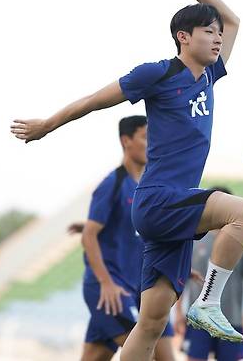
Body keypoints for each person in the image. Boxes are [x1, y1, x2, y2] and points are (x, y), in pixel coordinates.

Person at [11, 0, 243, 359]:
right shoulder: (157, 74)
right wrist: (46, 125)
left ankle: (199, 305)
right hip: (160, 199)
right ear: (184, 36)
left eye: (217, 34)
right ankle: (209, 302)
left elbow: (234, 21)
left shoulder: (210, 76)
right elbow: (93, 100)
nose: (218, 38)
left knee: (151, 323)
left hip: (170, 213)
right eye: (208, 31)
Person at [69, 116, 175, 361]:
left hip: (141, 290)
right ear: (126, 141)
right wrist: (106, 283)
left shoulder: (148, 188)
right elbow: (89, 237)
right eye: (145, 137)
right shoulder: (112, 184)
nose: (151, 144)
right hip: (112, 291)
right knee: (141, 352)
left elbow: (139, 232)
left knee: (96, 356)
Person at [175, 187, 243, 361]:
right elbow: (183, 276)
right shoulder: (194, 239)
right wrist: (178, 312)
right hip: (198, 321)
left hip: (230, 319)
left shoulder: (242, 241)